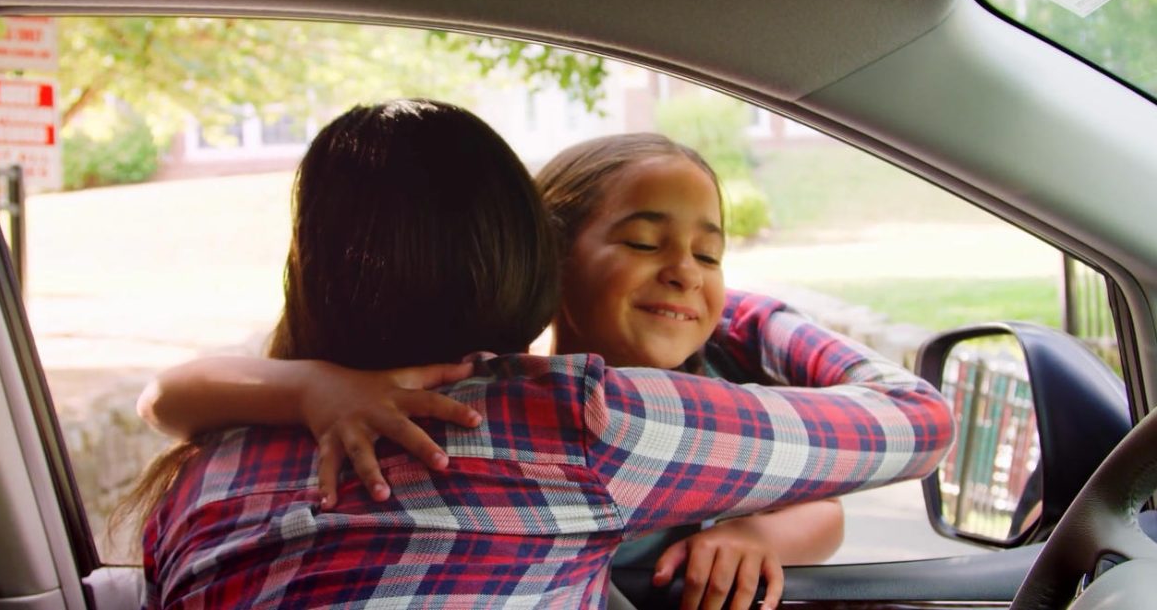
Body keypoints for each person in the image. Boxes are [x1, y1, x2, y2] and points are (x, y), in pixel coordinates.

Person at [135, 100, 954, 609]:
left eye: (711, 256)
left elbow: (166, 397)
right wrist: (751, 311)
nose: (684, 273)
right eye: (644, 243)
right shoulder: (583, 418)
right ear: (541, 260)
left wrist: (308, 384)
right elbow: (919, 424)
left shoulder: (196, 477)